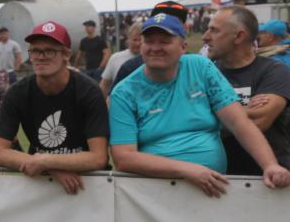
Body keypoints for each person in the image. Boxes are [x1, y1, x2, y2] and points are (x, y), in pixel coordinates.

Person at [109, 13, 290, 197]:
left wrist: (270, 165)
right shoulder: (124, 93)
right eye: (149, 41)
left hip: (214, 189)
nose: (155, 48)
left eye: (164, 41)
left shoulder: (200, 67)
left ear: (183, 47)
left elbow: (239, 123)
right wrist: (187, 170)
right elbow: (124, 158)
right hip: (154, 195)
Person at [0, 22, 109, 194]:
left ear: (66, 54)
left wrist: (46, 161)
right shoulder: (17, 93)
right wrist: (49, 167)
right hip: (41, 184)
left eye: (49, 51)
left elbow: (98, 157)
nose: (41, 56)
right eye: (35, 51)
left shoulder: (89, 91)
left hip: (88, 185)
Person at [204, 6, 290, 175]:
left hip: (268, 178)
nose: (205, 37)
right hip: (215, 177)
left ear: (239, 36)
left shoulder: (274, 72)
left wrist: (207, 115)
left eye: (214, 30)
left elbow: (259, 121)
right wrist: (244, 110)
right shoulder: (205, 73)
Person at [102, 23, 142, 97]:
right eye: (135, 40)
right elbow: (105, 84)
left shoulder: (152, 60)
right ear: (128, 40)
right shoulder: (115, 58)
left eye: (141, 40)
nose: (138, 43)